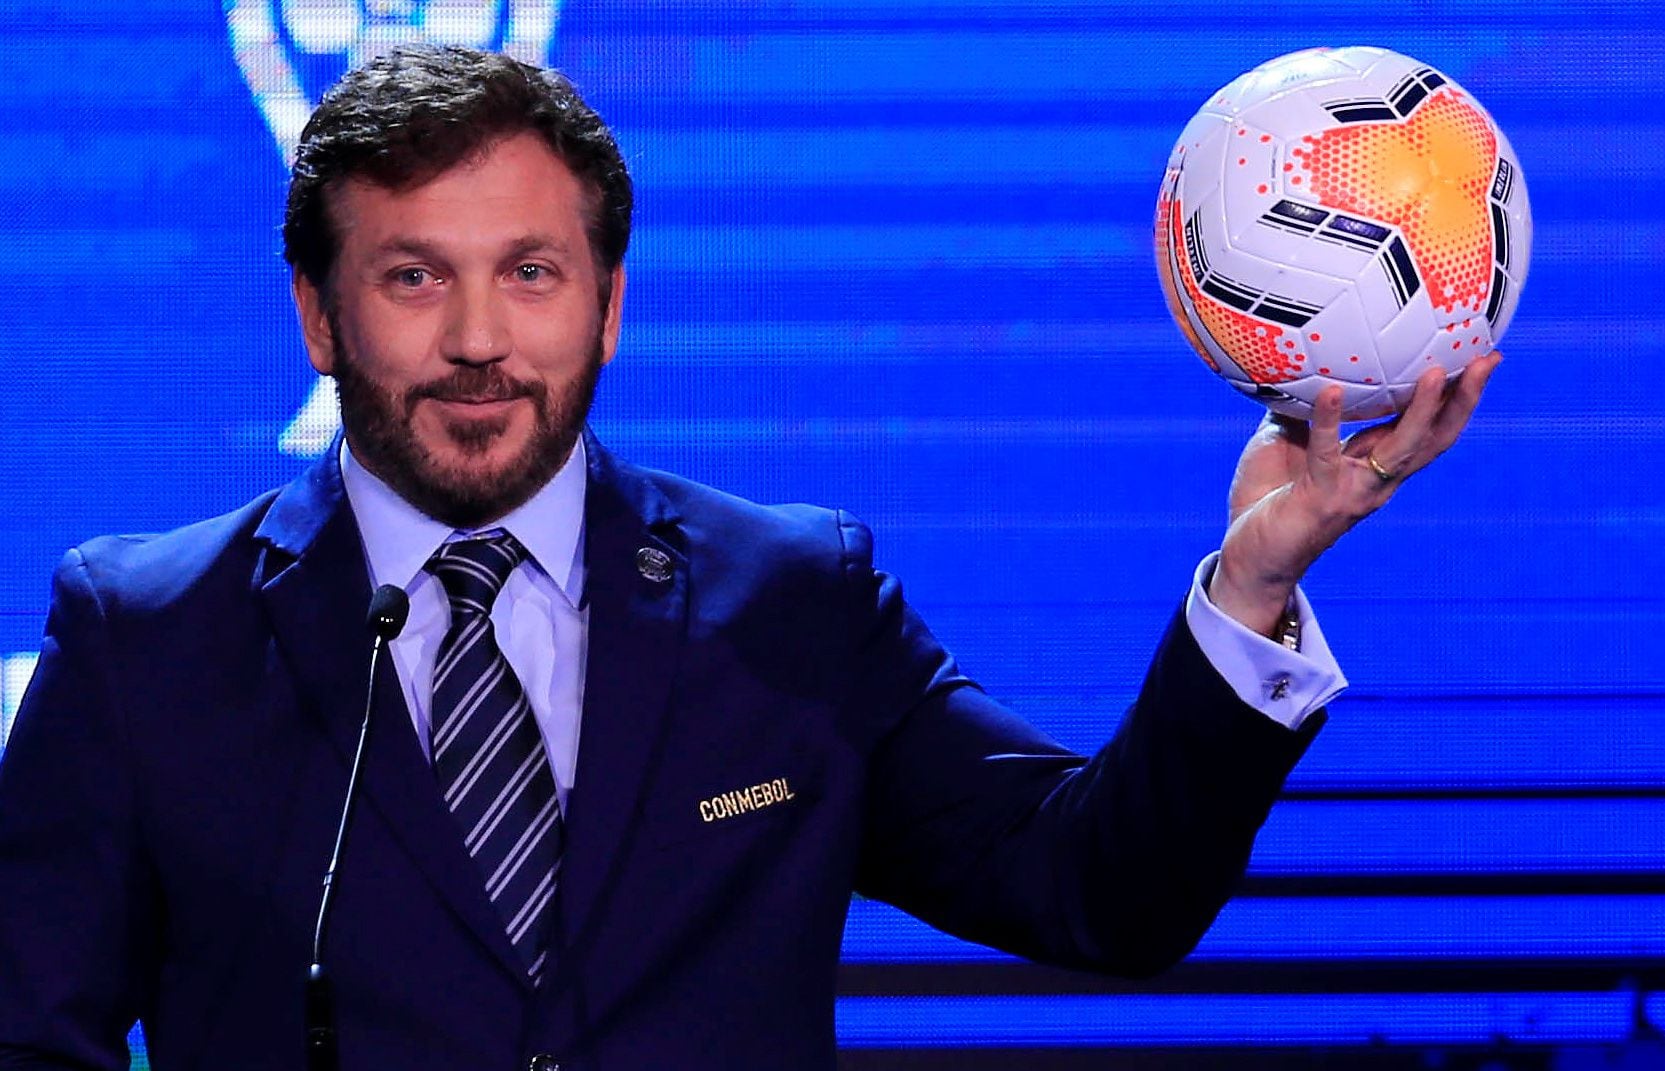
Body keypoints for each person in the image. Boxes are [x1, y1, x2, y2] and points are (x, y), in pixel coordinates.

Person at [0, 45, 1498, 1071]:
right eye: (411, 277)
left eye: (531, 273)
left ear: (609, 308)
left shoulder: (792, 604)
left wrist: (1253, 584)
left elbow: (1100, 894)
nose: (477, 339)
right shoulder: (145, 638)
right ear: (318, 317)